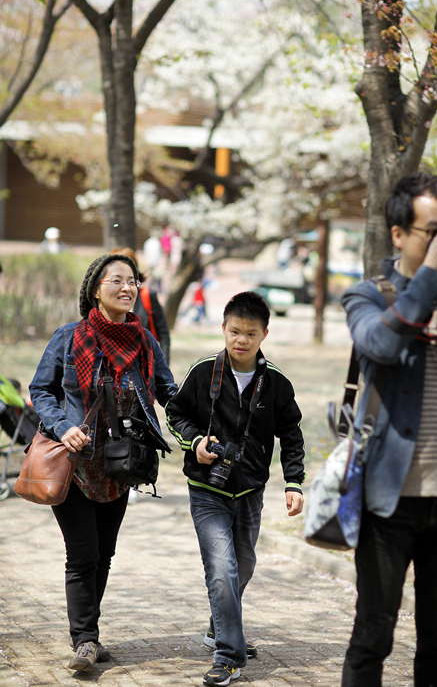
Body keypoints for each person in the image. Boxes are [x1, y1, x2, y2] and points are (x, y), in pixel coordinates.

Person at [340, 171, 437, 687]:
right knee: (374, 634)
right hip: (389, 500)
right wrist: (430, 277)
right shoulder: (367, 295)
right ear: (399, 234)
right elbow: (381, 347)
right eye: (433, 231)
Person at [29, 254, 177, 672]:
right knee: (83, 555)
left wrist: (206, 407)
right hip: (75, 464)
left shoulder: (145, 342)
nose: (127, 288)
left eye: (132, 281)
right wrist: (62, 426)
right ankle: (86, 641)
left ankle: (88, 633)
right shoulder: (69, 336)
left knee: (105, 554)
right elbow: (41, 389)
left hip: (121, 465)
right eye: (117, 280)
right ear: (96, 288)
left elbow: (169, 392)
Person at [166, 291, 305, 686]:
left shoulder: (276, 382)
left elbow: (291, 435)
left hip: (250, 490)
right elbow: (175, 413)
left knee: (243, 566)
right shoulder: (203, 371)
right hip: (206, 488)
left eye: (249, 333)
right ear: (223, 328)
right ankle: (229, 654)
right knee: (222, 568)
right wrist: (195, 443)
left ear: (264, 334)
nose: (240, 340)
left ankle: (217, 628)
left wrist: (293, 481)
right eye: (233, 331)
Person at [108, 247, 170, 365]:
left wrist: (163, 368)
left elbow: (164, 335)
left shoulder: (147, 296)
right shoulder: (104, 300)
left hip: (144, 368)